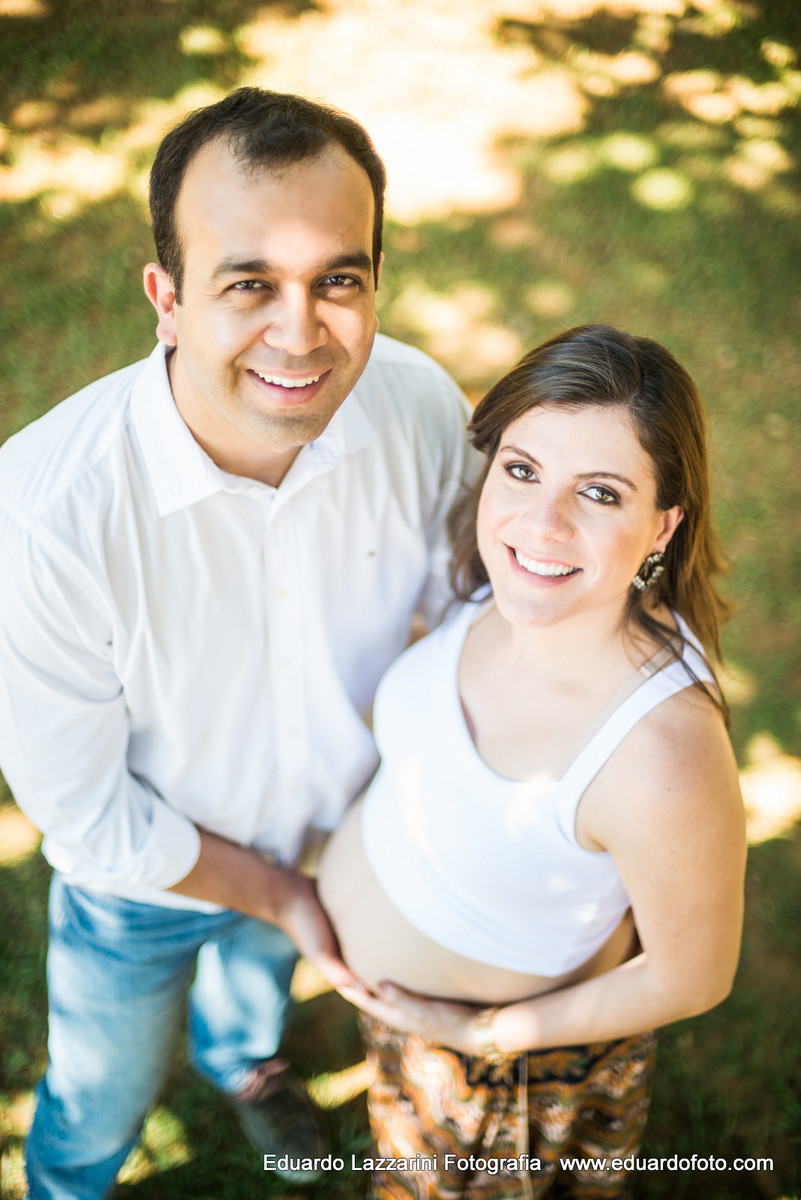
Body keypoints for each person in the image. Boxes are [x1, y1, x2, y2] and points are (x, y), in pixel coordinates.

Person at [0, 88, 473, 1198]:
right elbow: (84, 814)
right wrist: (284, 893)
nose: (301, 333)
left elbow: (468, 612)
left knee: (253, 1002)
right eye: (249, 283)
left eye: (339, 280)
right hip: (142, 889)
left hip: (328, 843)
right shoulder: (41, 514)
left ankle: (245, 1067)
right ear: (166, 298)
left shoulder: (418, 406)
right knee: (98, 1092)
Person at [318, 323, 747, 1199]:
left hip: (506, 1076)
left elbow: (691, 976)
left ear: (662, 525)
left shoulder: (660, 754)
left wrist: (488, 1037)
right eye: (521, 470)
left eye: (599, 492)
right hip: (413, 1031)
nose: (540, 523)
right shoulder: (494, 583)